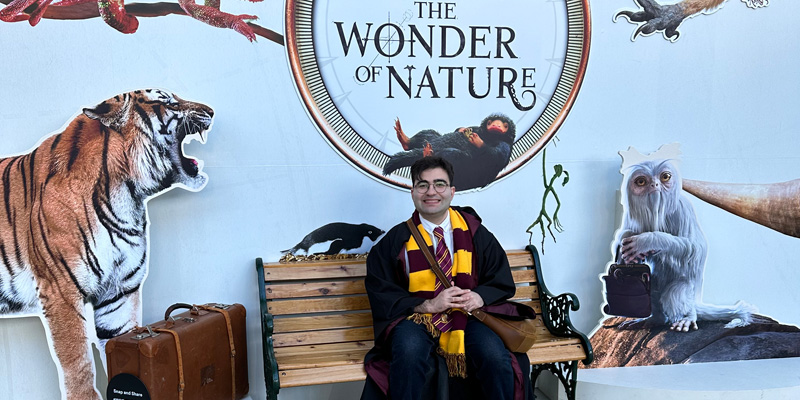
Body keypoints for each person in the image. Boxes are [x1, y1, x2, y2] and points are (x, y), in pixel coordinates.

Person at [362, 156, 534, 400]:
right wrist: (429, 305)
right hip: (416, 319)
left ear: (452, 192)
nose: (431, 192)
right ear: (412, 191)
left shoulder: (475, 232)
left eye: (439, 184)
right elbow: (383, 292)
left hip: (467, 316)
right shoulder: (396, 240)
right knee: (408, 353)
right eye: (423, 185)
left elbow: (499, 279)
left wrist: (478, 296)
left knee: (494, 355)